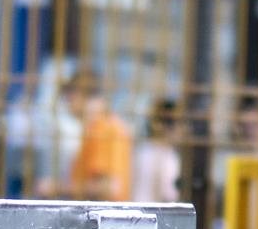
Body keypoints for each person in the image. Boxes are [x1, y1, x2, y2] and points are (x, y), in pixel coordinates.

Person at [62, 70, 132, 200]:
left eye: (69, 92)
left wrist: (56, 189)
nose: (66, 100)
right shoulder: (98, 127)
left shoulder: (103, 128)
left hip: (104, 216)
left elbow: (108, 187)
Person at [129, 97, 183, 203]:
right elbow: (169, 194)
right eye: (179, 123)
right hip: (157, 213)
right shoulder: (167, 155)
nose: (181, 129)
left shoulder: (142, 151)